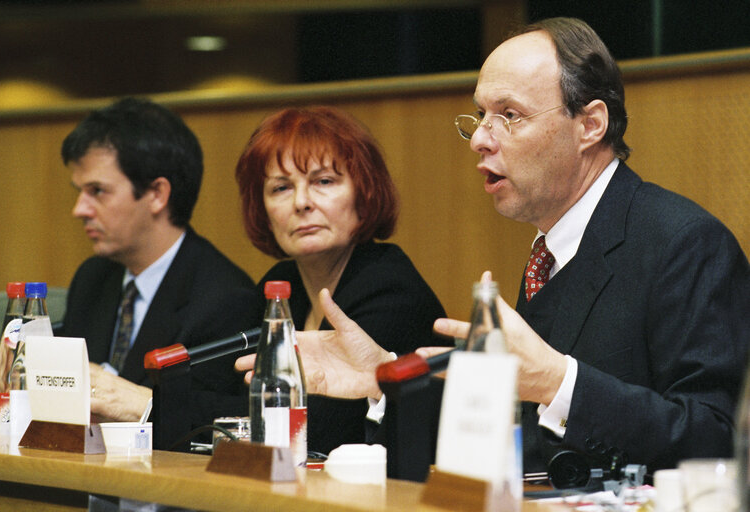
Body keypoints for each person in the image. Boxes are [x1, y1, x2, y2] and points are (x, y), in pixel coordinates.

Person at [236, 18, 750, 476]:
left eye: (509, 115)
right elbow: (509, 433)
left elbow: (714, 437)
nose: (481, 138)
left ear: (590, 124)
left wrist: (558, 383)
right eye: (480, 115)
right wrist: (382, 378)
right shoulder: (548, 251)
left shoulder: (684, 243)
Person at [234, 106, 448, 455]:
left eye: (323, 182)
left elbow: (323, 430)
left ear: (363, 192)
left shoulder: (389, 285)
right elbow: (238, 400)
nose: (302, 203)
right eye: (281, 188)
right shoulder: (279, 285)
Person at [58, 97, 259, 429]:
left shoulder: (224, 298)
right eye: (79, 191)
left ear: (156, 194)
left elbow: (217, 425)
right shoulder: (93, 278)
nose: (79, 209)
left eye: (97, 191)